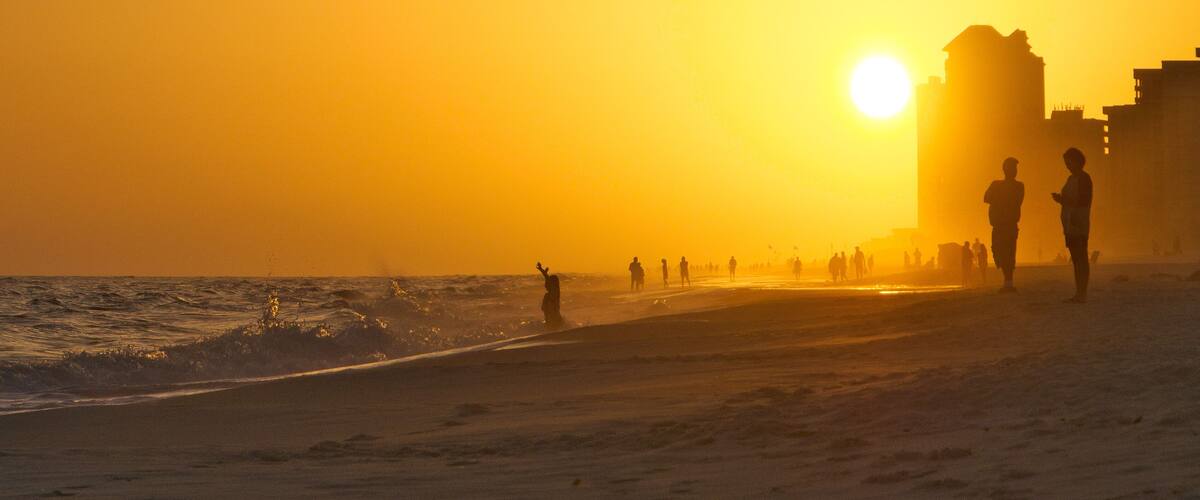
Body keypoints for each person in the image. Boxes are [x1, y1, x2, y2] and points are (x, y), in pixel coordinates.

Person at [1052, 147, 1093, 303]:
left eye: (1069, 162)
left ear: (1077, 161)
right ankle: (1079, 292)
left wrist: (1064, 201)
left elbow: (1082, 201)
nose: (1067, 166)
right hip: (1070, 223)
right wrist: (1061, 200)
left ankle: (1082, 292)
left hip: (1078, 222)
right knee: (1076, 259)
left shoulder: (1084, 178)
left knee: (1080, 257)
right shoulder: (1071, 179)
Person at [984, 157, 1025, 292]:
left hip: (1010, 224)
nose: (1014, 171)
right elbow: (986, 198)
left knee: (1009, 252)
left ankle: (1008, 283)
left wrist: (999, 199)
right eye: (1011, 167)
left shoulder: (1019, 185)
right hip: (998, 225)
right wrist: (1003, 199)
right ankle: (1007, 281)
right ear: (1004, 169)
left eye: (1015, 168)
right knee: (998, 251)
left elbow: (1016, 201)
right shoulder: (996, 184)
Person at [536, 262, 562, 329]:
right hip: (549, 321)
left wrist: (544, 273)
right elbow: (548, 281)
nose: (546, 284)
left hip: (555, 321)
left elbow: (550, 283)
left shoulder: (555, 293)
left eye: (548, 283)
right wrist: (542, 271)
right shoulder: (548, 295)